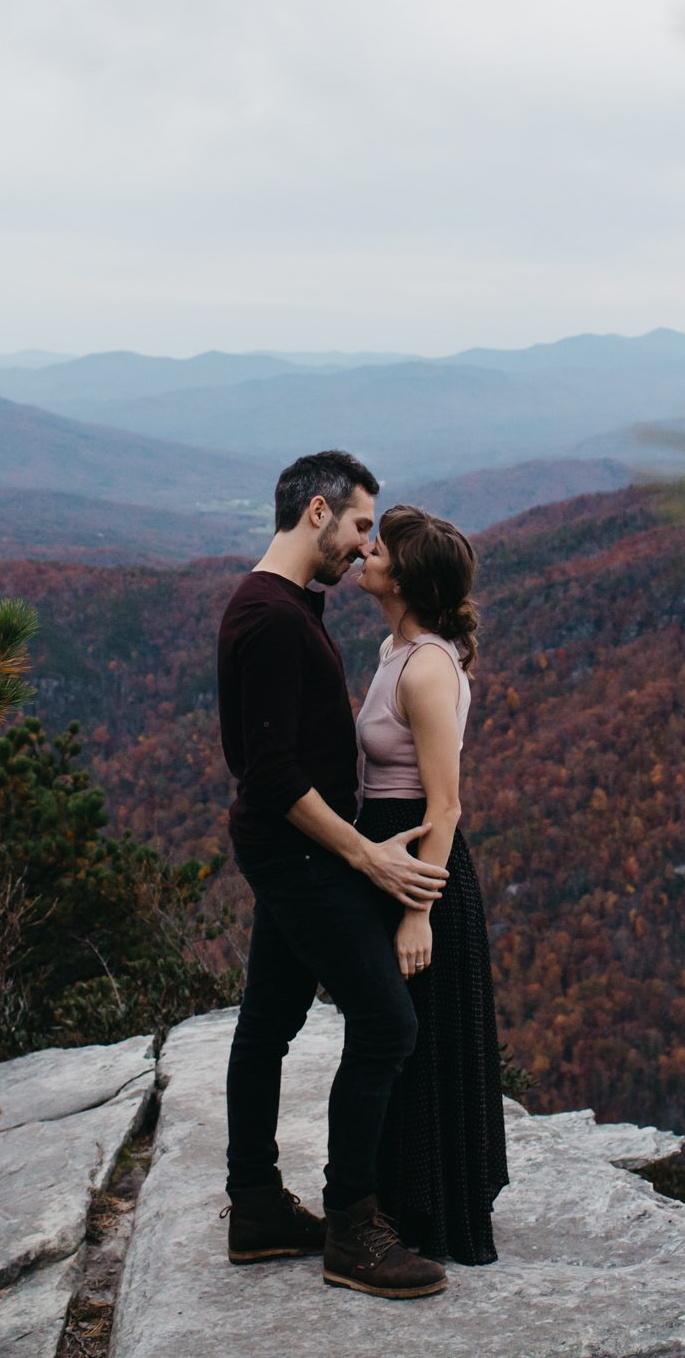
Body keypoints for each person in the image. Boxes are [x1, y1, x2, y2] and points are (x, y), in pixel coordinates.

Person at [216, 450, 451, 1300]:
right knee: (388, 1025)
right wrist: (362, 851)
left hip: (289, 851)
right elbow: (270, 772)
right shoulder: (275, 617)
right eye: (359, 526)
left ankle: (255, 1207)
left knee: (269, 1021)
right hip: (303, 854)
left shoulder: (281, 604)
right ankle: (353, 1225)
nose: (363, 548)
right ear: (317, 512)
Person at [354, 505, 509, 1264]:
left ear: (406, 577)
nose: (365, 550)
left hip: (424, 871)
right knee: (402, 1039)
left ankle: (427, 1214)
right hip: (398, 864)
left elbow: (445, 802)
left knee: (418, 1039)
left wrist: (420, 912)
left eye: (378, 546)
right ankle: (398, 1203)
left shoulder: (424, 669)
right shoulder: (397, 647)